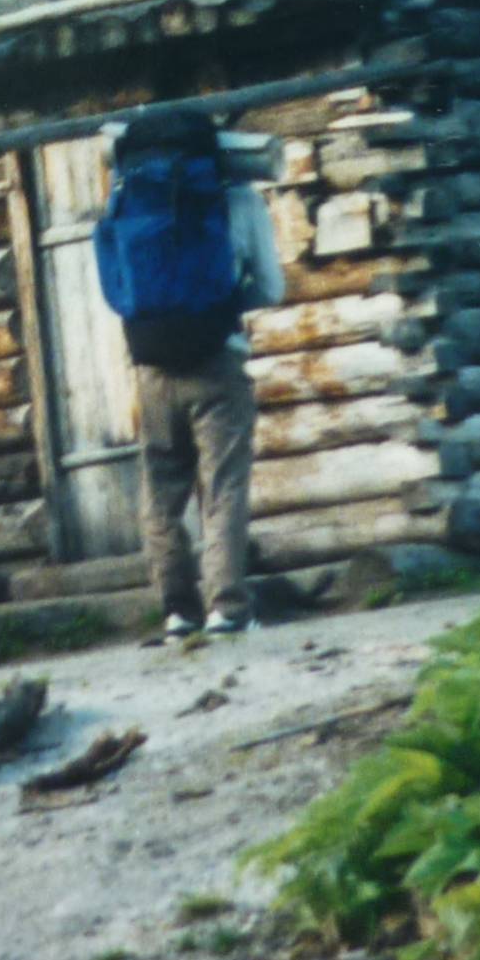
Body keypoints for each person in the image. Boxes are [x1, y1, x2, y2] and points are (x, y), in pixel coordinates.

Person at [96, 109, 285, 640]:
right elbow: (271, 288)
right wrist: (221, 310)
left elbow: (118, 289)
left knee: (160, 493)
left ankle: (178, 610)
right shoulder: (240, 200)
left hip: (153, 368)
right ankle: (227, 607)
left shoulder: (127, 200)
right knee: (223, 486)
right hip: (217, 361)